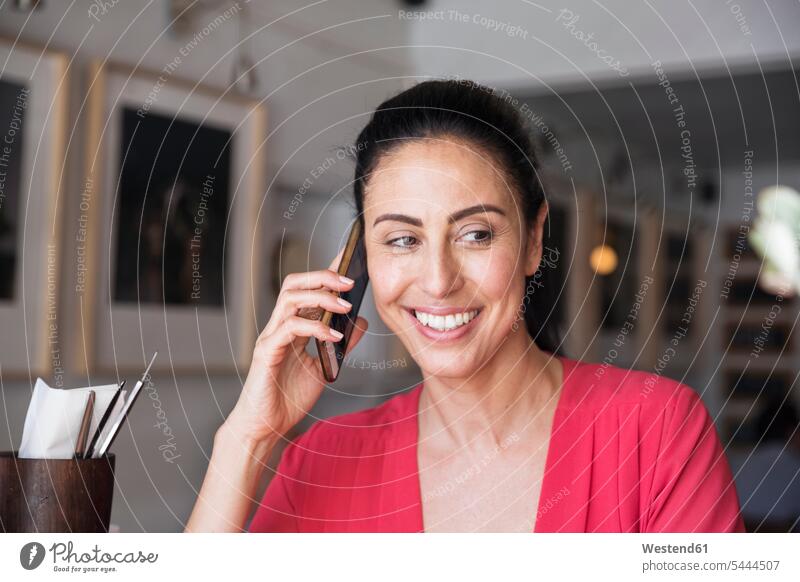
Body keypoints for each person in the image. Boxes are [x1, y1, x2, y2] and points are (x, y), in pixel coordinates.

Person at [185, 79, 744, 533]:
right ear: (361, 264)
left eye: (475, 234)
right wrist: (247, 438)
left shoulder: (657, 429)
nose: (438, 281)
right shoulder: (324, 458)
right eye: (402, 239)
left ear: (531, 241)